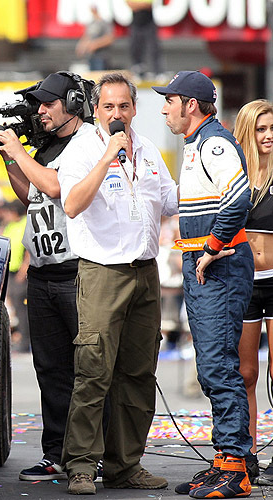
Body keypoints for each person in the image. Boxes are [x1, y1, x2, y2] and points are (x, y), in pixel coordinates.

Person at [57, 71, 177, 495]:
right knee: (93, 372)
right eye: (108, 106)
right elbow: (71, 204)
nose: (117, 113)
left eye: (124, 106)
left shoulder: (146, 150)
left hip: (146, 273)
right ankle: (82, 466)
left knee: (139, 373)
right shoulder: (82, 150)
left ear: (134, 109)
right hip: (103, 272)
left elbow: (171, 202)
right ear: (95, 111)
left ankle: (125, 465)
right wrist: (107, 156)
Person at [153, 71, 254, 498]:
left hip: (218, 265)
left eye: (170, 100)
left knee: (217, 366)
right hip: (204, 263)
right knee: (211, 366)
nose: (164, 109)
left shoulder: (213, 143)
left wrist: (212, 246)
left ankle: (235, 467)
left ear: (191, 104)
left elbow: (239, 196)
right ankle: (224, 460)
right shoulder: (198, 144)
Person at [0, 72, 94, 482]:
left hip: (77, 271)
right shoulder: (46, 146)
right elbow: (28, 193)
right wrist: (9, 158)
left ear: (71, 101)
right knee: (50, 369)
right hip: (44, 272)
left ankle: (90, 454)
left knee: (87, 370)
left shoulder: (85, 142)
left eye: (48, 103)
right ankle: (56, 453)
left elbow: (53, 186)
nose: (40, 111)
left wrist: (20, 152)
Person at [234, 100, 273, 486]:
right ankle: (247, 454)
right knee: (245, 373)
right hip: (246, 281)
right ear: (248, 131)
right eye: (261, 129)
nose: (269, 135)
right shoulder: (236, 175)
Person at [127, 0, 162, 79]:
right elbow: (130, 4)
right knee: (135, 47)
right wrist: (141, 5)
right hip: (136, 22)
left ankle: (157, 72)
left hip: (148, 22)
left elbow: (149, 5)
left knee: (153, 48)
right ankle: (138, 70)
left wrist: (137, 5)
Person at [76, 4, 114, 72]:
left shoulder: (104, 23)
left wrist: (95, 45)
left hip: (101, 56)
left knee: (100, 76)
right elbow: (87, 36)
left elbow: (109, 38)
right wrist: (81, 46)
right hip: (91, 56)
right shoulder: (91, 23)